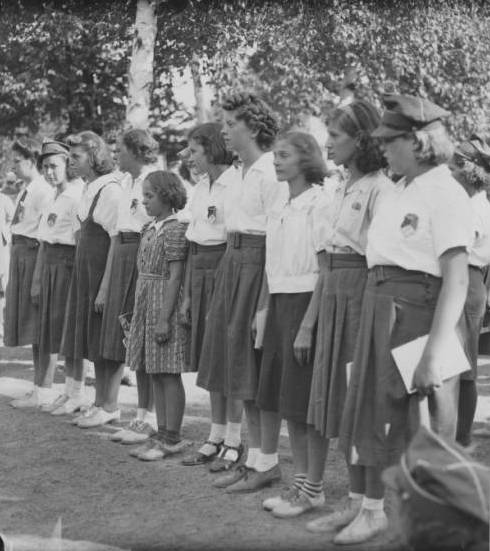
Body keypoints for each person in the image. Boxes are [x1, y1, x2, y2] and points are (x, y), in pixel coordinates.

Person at [336, 94, 473, 545]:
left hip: (417, 312)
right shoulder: (399, 188)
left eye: (392, 141)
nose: (384, 149)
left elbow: (456, 277)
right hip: (381, 305)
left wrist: (434, 352)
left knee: (418, 425)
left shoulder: (445, 192)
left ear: (418, 141)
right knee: (378, 412)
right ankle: (375, 510)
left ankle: (425, 523)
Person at [264, 101, 392, 519]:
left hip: (359, 292)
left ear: (361, 139)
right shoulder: (342, 188)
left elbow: (380, 258)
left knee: (356, 397)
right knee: (328, 397)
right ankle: (322, 491)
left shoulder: (379, 188)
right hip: (334, 291)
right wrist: (314, 319)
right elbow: (325, 258)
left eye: (336, 136)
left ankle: (366, 504)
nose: (329, 144)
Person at [196, 92, 286, 488]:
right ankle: (255, 457)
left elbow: (276, 242)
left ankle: (267, 460)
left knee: (255, 368)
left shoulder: (269, 172)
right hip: (233, 265)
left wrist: (265, 303)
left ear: (253, 126)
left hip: (257, 266)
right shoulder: (244, 172)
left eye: (231, 124)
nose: (225, 131)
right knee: (238, 367)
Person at [229, 131, 325, 495]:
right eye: (276, 155)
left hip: (305, 305)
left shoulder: (319, 203)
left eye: (284, 155)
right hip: (279, 303)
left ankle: (310, 488)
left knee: (302, 403)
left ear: (306, 159)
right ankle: (299, 483)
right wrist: (264, 309)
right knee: (282, 401)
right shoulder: (281, 205)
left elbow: (325, 272)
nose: (277, 160)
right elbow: (273, 266)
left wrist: (307, 325)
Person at [177, 123, 243, 467]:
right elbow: (193, 243)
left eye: (195, 151)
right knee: (210, 358)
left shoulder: (236, 183)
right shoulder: (201, 188)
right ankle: (215, 434)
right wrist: (188, 297)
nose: (189, 158)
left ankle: (234, 438)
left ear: (213, 149)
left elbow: (232, 238)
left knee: (228, 358)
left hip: (225, 267)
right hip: (200, 269)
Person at [59, 131, 123, 428]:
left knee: (105, 336)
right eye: (70, 156)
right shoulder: (86, 188)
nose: (71, 162)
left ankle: (110, 404)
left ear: (95, 155)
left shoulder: (109, 189)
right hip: (86, 270)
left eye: (77, 156)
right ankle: (99, 402)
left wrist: (105, 286)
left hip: (101, 271)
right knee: (92, 336)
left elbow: (115, 240)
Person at [99, 129, 159, 441]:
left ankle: (148, 416)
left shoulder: (155, 178)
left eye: (119, 149)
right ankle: (138, 415)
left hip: (143, 252)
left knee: (144, 335)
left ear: (136, 150)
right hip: (122, 253)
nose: (115, 155)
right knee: (130, 335)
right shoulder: (125, 182)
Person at [126, 170, 191, 461]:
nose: (145, 202)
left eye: (150, 196)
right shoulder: (151, 227)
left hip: (164, 301)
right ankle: (162, 432)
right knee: (154, 369)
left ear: (166, 195)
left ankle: (173, 436)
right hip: (146, 299)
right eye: (144, 196)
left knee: (168, 371)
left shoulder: (175, 229)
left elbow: (176, 275)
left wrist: (165, 317)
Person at [29, 139, 86, 415]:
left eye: (54, 166)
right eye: (45, 167)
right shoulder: (53, 195)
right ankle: (64, 392)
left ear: (67, 165)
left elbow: (79, 241)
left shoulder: (76, 196)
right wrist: (39, 278)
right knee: (52, 330)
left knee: (70, 330)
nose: (49, 172)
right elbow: (43, 239)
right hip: (50, 261)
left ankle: (76, 392)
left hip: (67, 263)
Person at [6, 138, 55, 409]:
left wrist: (37, 271)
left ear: (29, 160)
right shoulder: (29, 188)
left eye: (16, 160)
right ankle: (38, 387)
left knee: (41, 325)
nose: (13, 165)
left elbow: (44, 234)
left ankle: (45, 388)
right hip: (21, 253)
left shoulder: (43, 190)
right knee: (31, 324)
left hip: (34, 253)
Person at [450, 134, 490, 447]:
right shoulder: (469, 203)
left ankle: (460, 438)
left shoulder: (475, 208)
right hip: (466, 279)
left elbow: (458, 250)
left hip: (467, 279)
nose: (450, 172)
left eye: (455, 165)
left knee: (463, 366)